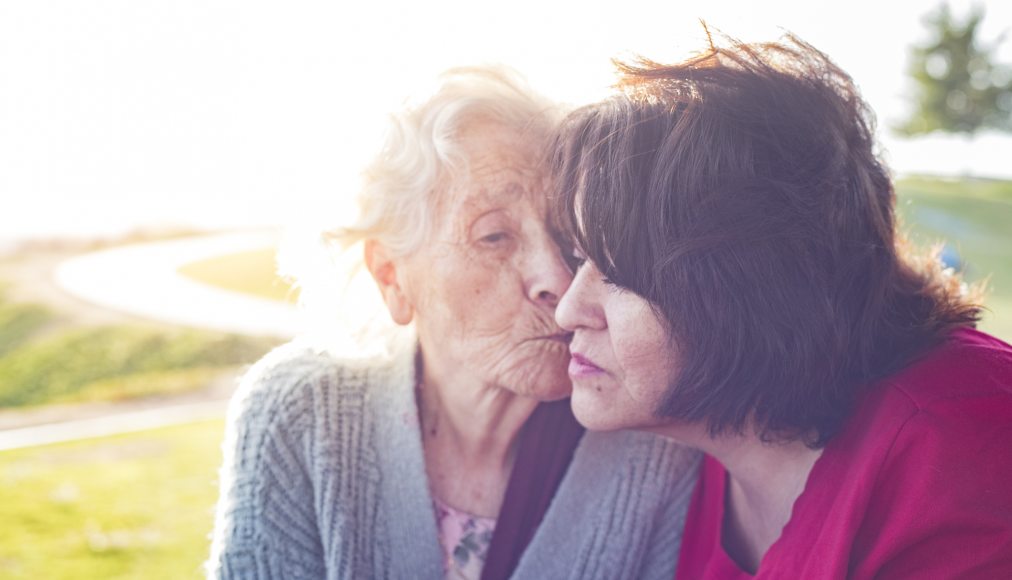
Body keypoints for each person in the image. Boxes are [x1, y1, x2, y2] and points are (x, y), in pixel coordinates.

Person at [206, 65, 699, 580]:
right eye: (494, 237)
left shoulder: (648, 444)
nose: (557, 277)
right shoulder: (302, 413)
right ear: (392, 278)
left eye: (565, 236)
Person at [552, 34, 1012, 578]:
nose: (567, 310)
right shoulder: (700, 441)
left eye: (619, 274)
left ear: (747, 289)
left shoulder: (958, 448)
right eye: (578, 255)